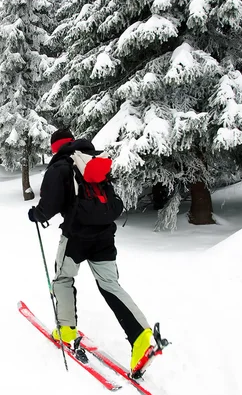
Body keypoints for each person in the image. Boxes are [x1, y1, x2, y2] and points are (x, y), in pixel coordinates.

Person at [28, 128, 155, 375]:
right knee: (110, 285)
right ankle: (141, 336)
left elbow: (48, 206)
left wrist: (36, 214)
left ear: (55, 148)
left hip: (76, 236)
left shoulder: (60, 167)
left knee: (63, 279)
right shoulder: (91, 161)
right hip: (105, 236)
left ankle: (66, 331)